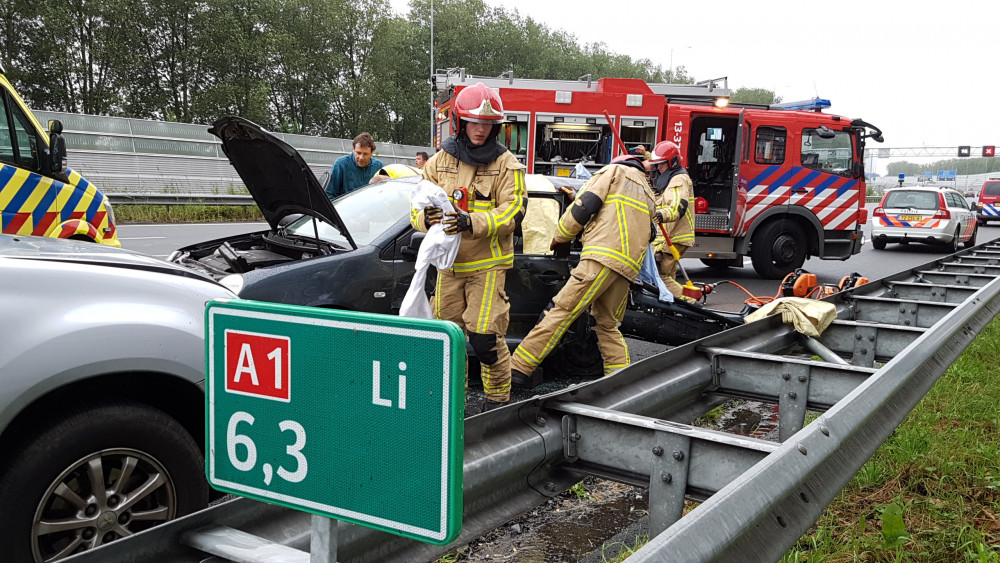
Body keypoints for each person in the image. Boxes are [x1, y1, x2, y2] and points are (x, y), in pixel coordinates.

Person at [410, 82, 526, 413]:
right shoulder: (438, 162)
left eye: (488, 124)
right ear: (461, 121)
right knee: (447, 342)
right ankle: (451, 411)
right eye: (475, 122)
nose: (481, 129)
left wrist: (471, 222)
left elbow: (514, 211)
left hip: (488, 266)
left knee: (485, 338)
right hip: (449, 267)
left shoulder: (508, 165)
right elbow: (416, 207)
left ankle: (497, 405)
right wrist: (426, 219)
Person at [509, 154, 656, 382]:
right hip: (627, 268)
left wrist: (560, 236)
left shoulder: (612, 172)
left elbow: (584, 206)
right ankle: (620, 382)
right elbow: (648, 231)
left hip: (601, 258)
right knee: (607, 325)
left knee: (561, 311)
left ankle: (518, 368)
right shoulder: (647, 191)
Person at [647, 141, 695, 302]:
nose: (659, 168)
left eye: (662, 164)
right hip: (672, 235)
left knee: (660, 275)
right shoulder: (670, 178)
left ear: (672, 162)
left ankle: (688, 302)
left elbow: (677, 206)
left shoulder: (678, 180)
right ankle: (672, 306)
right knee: (669, 274)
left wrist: (661, 214)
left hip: (674, 236)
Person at [326, 132, 384, 199]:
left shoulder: (378, 166)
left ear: (371, 153)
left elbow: (382, 193)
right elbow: (329, 194)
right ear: (353, 150)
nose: (361, 157)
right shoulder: (341, 164)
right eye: (358, 153)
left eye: (365, 154)